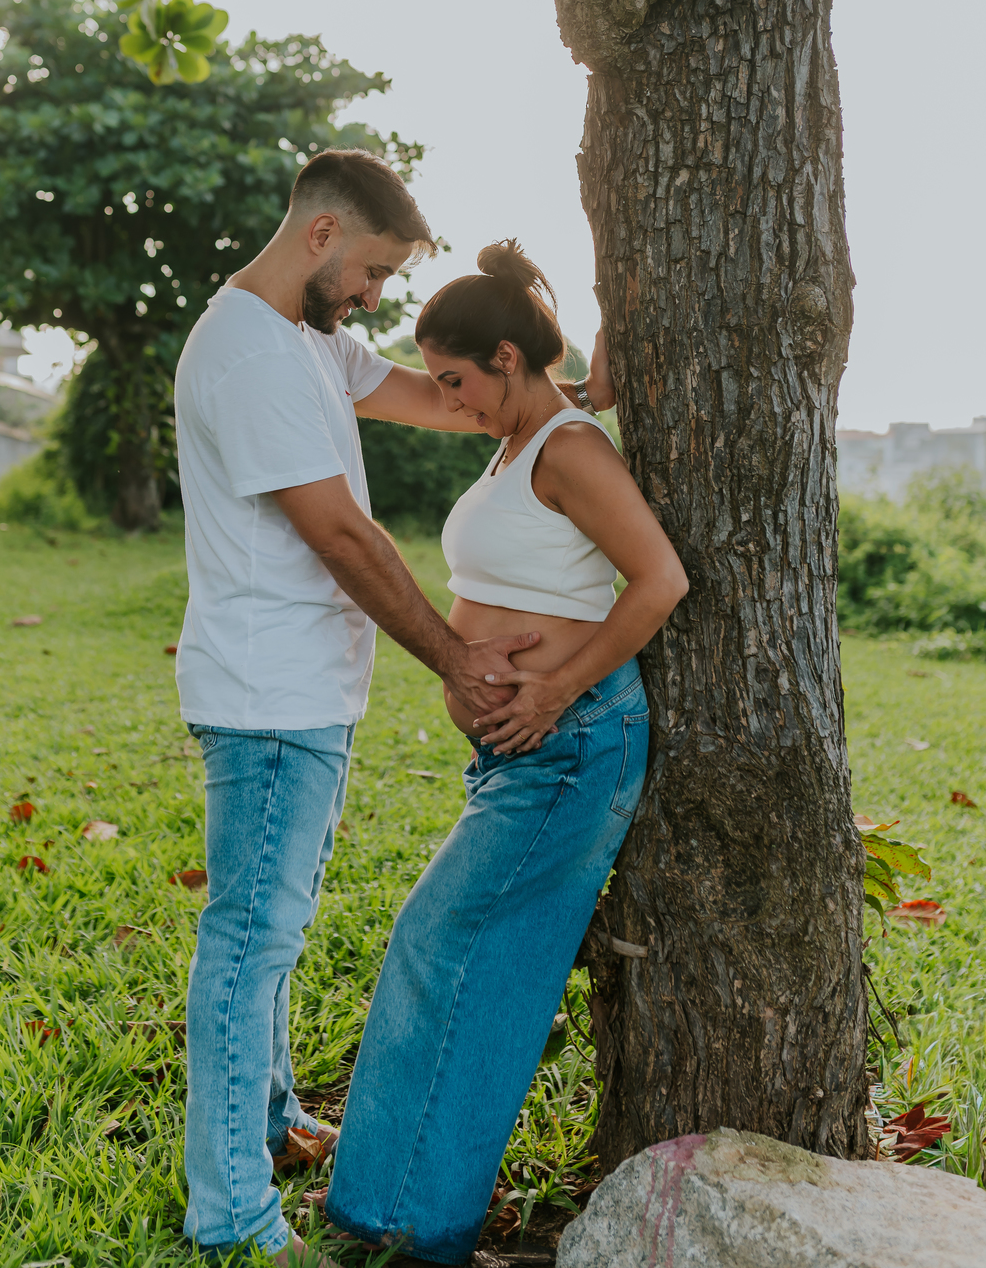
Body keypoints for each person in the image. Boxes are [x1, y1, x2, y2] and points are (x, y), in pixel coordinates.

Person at [172, 158, 614, 1265]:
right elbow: (342, 534)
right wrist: (457, 657)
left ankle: (268, 1125)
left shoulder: (311, 340)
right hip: (270, 690)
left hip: (306, 688)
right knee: (250, 940)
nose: (373, 296)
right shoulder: (247, 352)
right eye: (370, 271)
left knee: (273, 929)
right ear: (322, 235)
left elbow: (444, 399)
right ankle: (229, 1211)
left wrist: (573, 393)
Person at [323, 240, 689, 1266]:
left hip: (571, 745)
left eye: (454, 380)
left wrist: (558, 687)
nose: (446, 400)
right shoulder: (520, 433)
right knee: (462, 962)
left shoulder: (570, 448)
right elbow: (593, 365)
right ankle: (392, 1214)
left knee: (445, 948)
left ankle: (410, 1226)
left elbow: (658, 580)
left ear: (505, 359)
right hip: (522, 755)